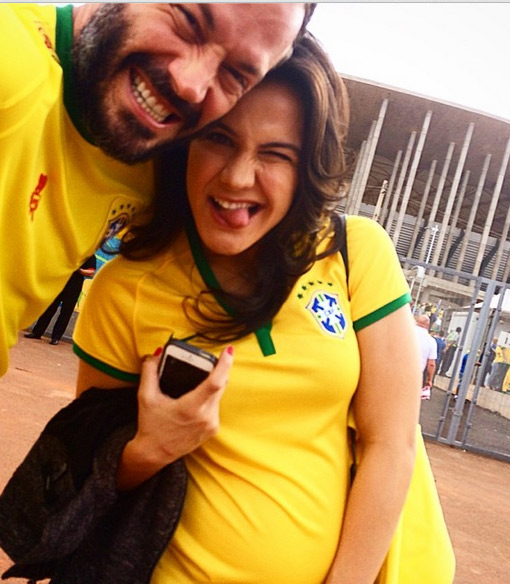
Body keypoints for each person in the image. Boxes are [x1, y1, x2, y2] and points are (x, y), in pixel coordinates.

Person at [58, 36, 454, 583]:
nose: (238, 177)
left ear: (306, 168)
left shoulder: (354, 253)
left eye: (275, 155)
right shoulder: (125, 288)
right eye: (218, 139)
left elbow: (391, 444)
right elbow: (86, 474)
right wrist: (151, 448)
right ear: (184, 144)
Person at [0, 2, 314, 377]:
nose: (191, 84)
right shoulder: (14, 55)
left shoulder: (161, 167)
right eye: (188, 22)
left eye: (235, 75)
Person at [24, 255, 97, 346]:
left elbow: (91, 272)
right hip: (59, 283)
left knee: (65, 313)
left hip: (74, 286)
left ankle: (55, 338)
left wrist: (78, 269)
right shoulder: (69, 250)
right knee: (49, 308)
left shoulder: (89, 255)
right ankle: (37, 333)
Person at [415, 315, 438, 400]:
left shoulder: (406, 333)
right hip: (416, 375)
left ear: (416, 322)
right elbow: (431, 364)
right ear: (428, 326)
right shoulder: (431, 341)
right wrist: (429, 380)